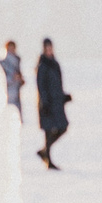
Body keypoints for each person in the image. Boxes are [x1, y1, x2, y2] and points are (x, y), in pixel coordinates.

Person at [35, 38, 72, 169]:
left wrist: (64, 97)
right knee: (48, 131)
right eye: (47, 48)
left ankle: (44, 151)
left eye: (50, 48)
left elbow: (58, 84)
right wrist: (44, 103)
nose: (49, 50)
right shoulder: (42, 65)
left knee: (63, 127)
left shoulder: (55, 64)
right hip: (47, 104)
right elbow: (41, 87)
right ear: (44, 49)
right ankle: (48, 160)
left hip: (57, 102)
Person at [0, 39, 24, 109]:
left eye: (13, 48)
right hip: (6, 96)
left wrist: (20, 80)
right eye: (10, 48)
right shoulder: (3, 63)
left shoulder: (17, 62)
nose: (12, 50)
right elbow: (1, 81)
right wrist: (12, 78)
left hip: (16, 96)